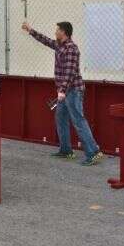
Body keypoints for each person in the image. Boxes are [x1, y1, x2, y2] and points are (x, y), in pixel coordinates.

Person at [21, 21, 103, 166]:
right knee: (61, 118)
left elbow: (70, 73)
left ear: (64, 32)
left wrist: (62, 91)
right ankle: (66, 150)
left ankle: (94, 152)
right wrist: (30, 30)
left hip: (73, 91)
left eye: (57, 30)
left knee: (78, 120)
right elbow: (45, 40)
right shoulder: (60, 45)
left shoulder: (72, 49)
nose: (55, 32)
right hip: (64, 91)